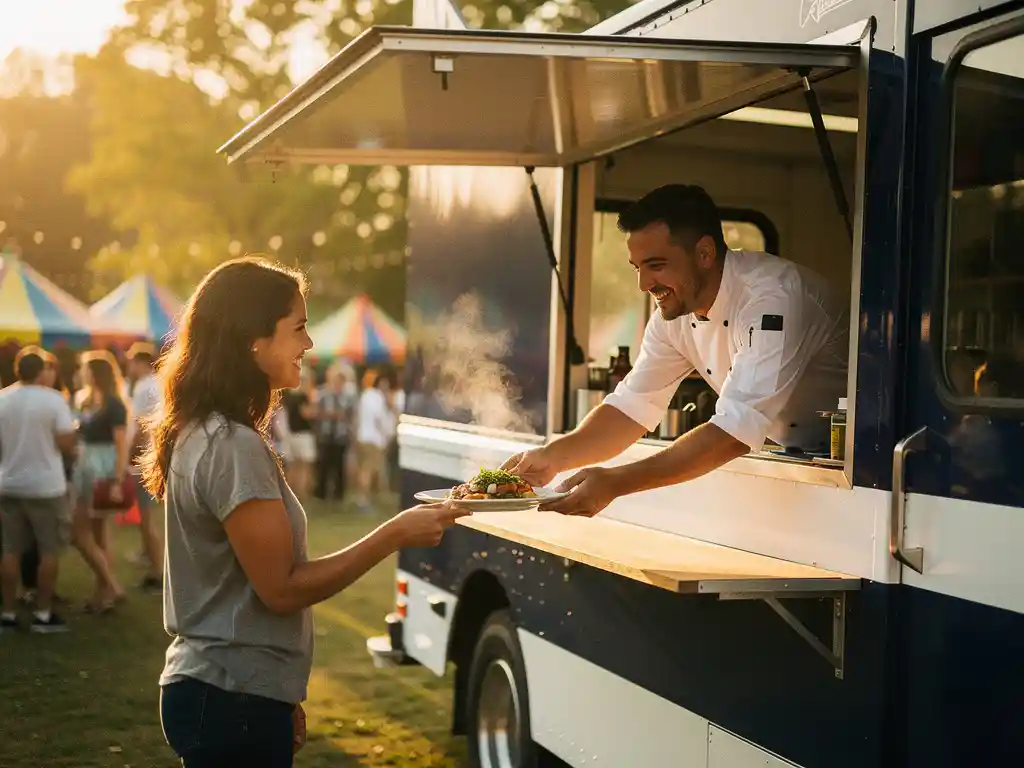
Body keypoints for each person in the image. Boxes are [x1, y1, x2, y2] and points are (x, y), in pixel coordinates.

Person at [144, 256, 467, 767]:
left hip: (232, 694)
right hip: (231, 698)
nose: (309, 344)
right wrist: (393, 535)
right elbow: (281, 590)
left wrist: (280, 690)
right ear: (253, 340)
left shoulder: (205, 431)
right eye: (298, 328)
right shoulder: (232, 445)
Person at [504, 184, 848, 516]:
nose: (643, 284)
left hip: (858, 466)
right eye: (637, 268)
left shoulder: (773, 298)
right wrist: (551, 458)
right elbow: (630, 408)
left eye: (656, 265)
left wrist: (616, 482)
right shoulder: (674, 315)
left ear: (704, 253)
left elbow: (735, 431)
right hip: (801, 457)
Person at [0, 346, 78, 633]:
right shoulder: (54, 400)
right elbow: (66, 443)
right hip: (46, 486)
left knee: (9, 550)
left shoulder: (3, 399)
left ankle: (7, 614)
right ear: (41, 371)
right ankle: (43, 615)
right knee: (48, 550)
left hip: (9, 483)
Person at [71, 350, 130, 613]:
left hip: (103, 469)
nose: (82, 374)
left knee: (84, 531)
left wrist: (117, 480)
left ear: (96, 374)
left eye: (86, 369)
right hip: (85, 467)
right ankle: (106, 590)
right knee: (94, 534)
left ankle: (108, 589)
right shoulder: (86, 400)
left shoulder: (114, 405)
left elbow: (121, 446)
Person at [127, 341, 163, 592]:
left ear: (140, 363)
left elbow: (141, 426)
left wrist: (130, 454)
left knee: (145, 518)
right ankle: (149, 557)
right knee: (147, 516)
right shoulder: (159, 383)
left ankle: (158, 573)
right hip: (159, 453)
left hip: (144, 457)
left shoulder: (142, 387)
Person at [312, 362, 356, 501]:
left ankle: (338, 495)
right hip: (325, 435)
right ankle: (321, 494)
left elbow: (351, 415)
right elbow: (316, 413)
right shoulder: (323, 394)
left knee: (339, 467)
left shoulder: (348, 396)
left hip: (340, 435)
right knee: (323, 465)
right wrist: (327, 415)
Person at [354, 370, 396, 511]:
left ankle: (365, 499)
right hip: (373, 439)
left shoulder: (366, 395)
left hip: (363, 437)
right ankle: (363, 501)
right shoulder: (376, 397)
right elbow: (380, 419)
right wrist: (388, 434)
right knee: (368, 471)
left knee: (366, 470)